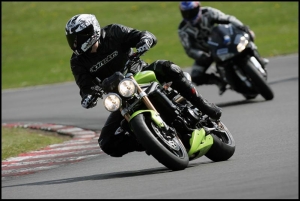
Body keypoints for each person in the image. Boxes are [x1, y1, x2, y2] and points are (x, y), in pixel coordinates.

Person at [65, 14, 222, 157]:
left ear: (92, 31)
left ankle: (202, 105)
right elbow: (85, 86)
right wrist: (88, 96)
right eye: (72, 39)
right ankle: (151, 140)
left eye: (78, 37)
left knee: (167, 67)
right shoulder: (77, 61)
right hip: (122, 96)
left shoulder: (113, 32)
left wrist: (145, 40)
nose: (75, 43)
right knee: (106, 142)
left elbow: (142, 35)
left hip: (141, 74)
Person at [178, 1, 269, 95]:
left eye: (192, 11)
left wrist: (241, 26)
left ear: (198, 8)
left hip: (223, 42)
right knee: (195, 76)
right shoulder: (183, 29)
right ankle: (220, 82)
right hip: (207, 52)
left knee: (247, 38)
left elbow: (228, 18)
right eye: (185, 13)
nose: (189, 15)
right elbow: (189, 49)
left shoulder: (208, 12)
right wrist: (201, 55)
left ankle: (259, 58)